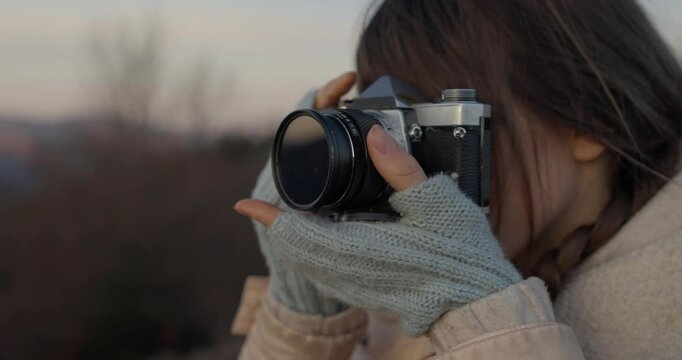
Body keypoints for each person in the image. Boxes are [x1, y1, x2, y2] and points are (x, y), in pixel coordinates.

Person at [232, 0, 682, 358]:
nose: (398, 166)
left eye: (428, 131)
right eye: (384, 127)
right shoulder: (404, 303)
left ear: (589, 120)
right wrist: (306, 319)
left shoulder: (664, 317)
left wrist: (488, 324)